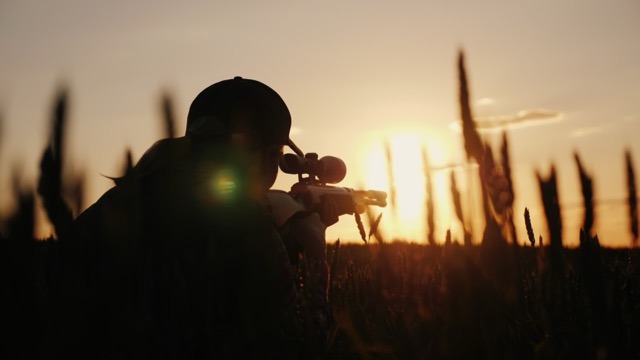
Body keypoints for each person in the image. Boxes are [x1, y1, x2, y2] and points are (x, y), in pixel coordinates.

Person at [50, 77, 315, 358]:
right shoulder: (249, 222)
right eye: (278, 156)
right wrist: (316, 255)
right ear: (265, 157)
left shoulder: (113, 205)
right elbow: (297, 344)